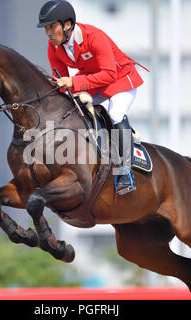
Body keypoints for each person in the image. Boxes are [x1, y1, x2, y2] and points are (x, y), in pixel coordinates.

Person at [37, 0, 147, 195]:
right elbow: (61, 83)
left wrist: (73, 83)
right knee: (71, 107)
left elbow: (109, 75)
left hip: (121, 80)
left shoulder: (94, 36)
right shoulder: (53, 47)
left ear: (67, 24)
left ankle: (126, 171)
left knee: (115, 113)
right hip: (96, 83)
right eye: (46, 28)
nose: (48, 33)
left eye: (51, 27)